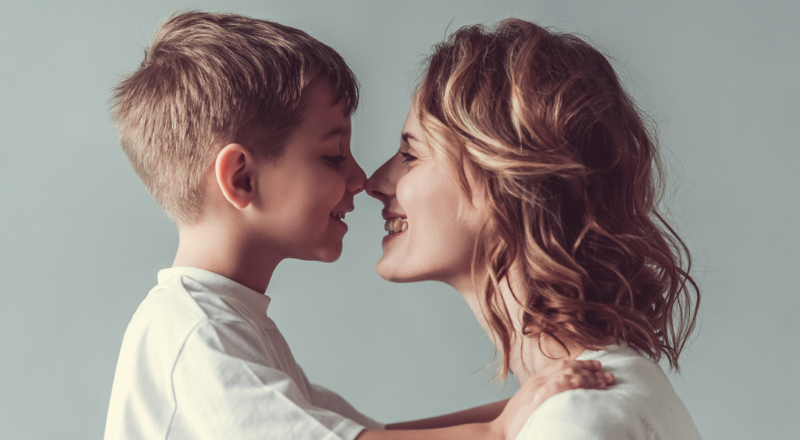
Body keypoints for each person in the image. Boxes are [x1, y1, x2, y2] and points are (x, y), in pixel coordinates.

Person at [105, 11, 612, 440]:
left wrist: (516, 408)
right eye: (332, 156)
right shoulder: (196, 334)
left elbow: (378, 435)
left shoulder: (226, 323)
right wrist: (498, 432)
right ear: (241, 178)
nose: (360, 178)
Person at [366, 19, 702, 440]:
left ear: (505, 179)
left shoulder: (577, 419)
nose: (373, 183)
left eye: (409, 155)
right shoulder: (598, 393)